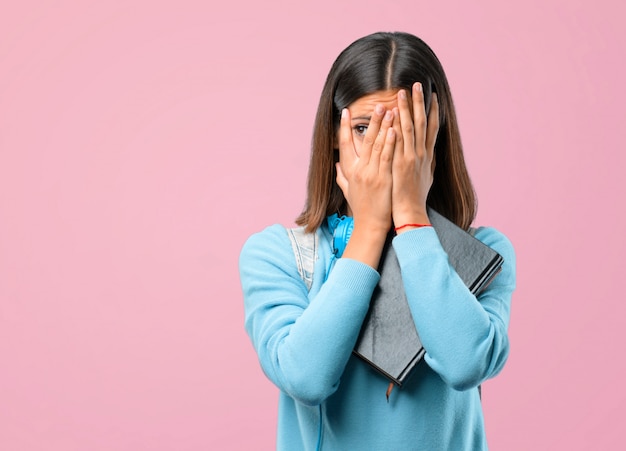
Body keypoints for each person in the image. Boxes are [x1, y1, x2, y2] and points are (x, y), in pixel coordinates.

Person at [239, 31, 516, 450]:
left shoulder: (482, 254)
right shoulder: (281, 255)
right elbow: (305, 377)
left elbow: (466, 364)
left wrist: (411, 220)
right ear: (334, 133)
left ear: (434, 137)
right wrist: (368, 228)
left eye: (404, 131)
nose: (383, 150)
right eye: (365, 128)